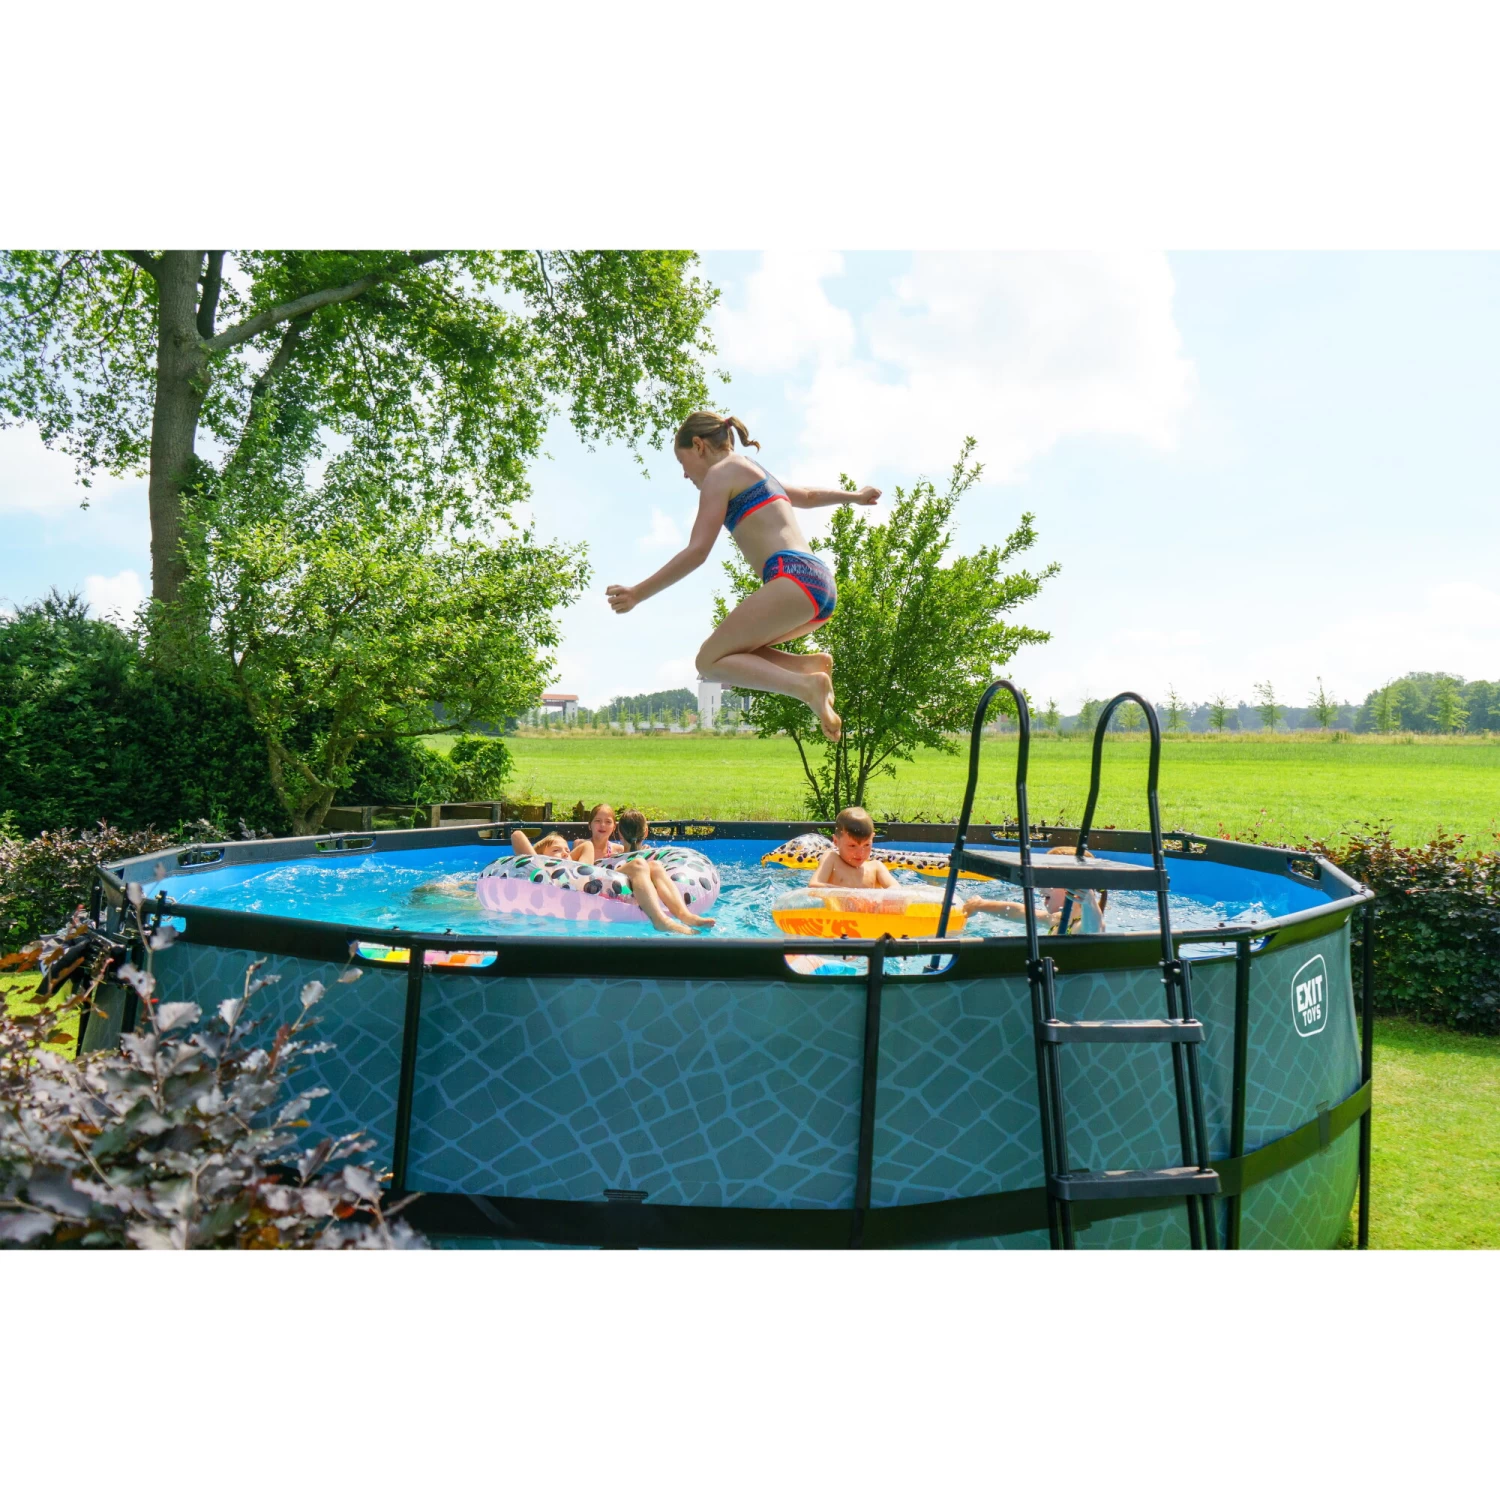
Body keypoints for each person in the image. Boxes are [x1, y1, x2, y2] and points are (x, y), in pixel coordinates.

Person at [605, 412, 881, 742]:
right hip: (819, 584)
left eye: (682, 461)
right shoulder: (754, 471)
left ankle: (806, 687)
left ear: (699, 446)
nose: (684, 474)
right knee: (737, 653)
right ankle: (808, 667)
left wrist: (637, 593)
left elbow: (698, 551)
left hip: (792, 577)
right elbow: (807, 496)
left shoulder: (720, 474)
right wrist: (855, 496)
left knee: (708, 661)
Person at [963, 847, 1109, 934]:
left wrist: (1089, 902)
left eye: (1048, 878)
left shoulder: (1079, 926)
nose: (1040, 886)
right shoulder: (1057, 920)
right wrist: (980, 904)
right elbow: (1019, 911)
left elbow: (1094, 929)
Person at [808, 807, 897, 891]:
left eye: (866, 845)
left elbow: (896, 889)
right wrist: (848, 894)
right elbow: (814, 885)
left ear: (872, 838)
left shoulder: (876, 867)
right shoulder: (832, 860)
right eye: (852, 846)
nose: (860, 853)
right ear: (836, 841)